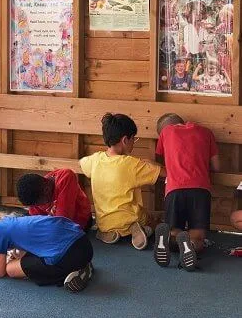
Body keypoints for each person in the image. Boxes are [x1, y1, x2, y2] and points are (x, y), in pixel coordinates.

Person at [79, 113, 165, 250]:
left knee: (105, 224)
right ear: (125, 140)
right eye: (133, 140)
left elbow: (82, 163)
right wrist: (152, 163)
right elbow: (163, 174)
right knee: (154, 221)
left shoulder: (95, 160)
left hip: (105, 222)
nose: (133, 144)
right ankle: (139, 229)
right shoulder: (131, 164)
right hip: (131, 218)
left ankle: (106, 232)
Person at [154, 113, 220, 271]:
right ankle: (190, 244)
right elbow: (217, 167)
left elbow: (159, 163)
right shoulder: (206, 132)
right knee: (198, 238)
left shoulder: (166, 133)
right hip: (200, 189)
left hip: (174, 189)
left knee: (173, 230)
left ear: (164, 128)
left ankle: (171, 238)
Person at [0, 212, 93, 292]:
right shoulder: (16, 221)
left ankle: (75, 272)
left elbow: (0, 271)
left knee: (11, 269)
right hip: (84, 244)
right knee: (28, 260)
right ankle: (83, 266)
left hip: (70, 255)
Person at [16, 170, 92, 230]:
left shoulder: (65, 177)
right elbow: (37, 222)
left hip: (80, 224)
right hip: (55, 226)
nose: (38, 206)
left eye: (39, 204)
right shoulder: (37, 192)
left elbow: (63, 222)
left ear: (46, 189)